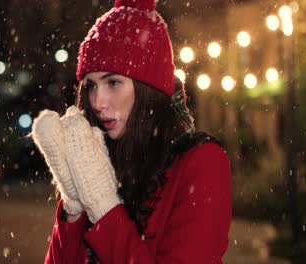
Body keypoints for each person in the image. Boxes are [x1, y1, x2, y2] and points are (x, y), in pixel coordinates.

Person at [31, 0, 232, 263]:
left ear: (148, 89)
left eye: (113, 82)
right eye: (90, 86)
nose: (97, 102)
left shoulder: (201, 162)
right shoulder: (99, 159)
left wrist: (104, 208)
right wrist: (73, 206)